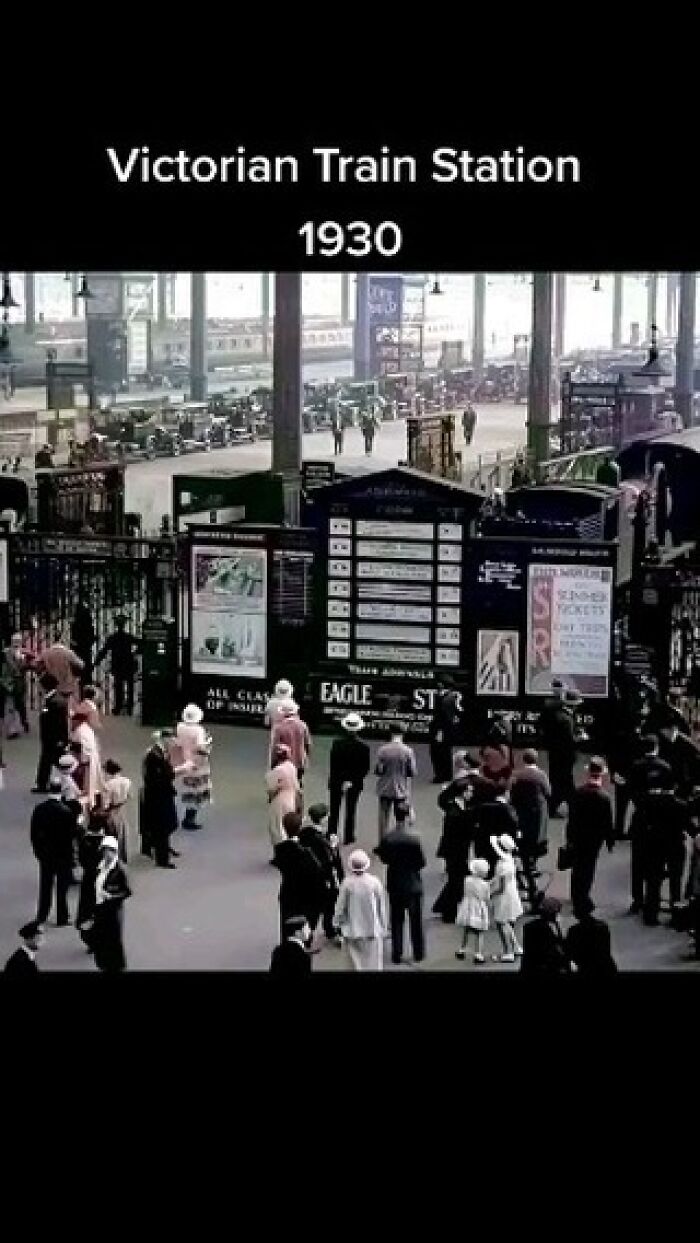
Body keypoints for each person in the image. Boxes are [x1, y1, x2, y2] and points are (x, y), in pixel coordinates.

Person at [374, 802, 427, 965]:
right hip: (413, 883)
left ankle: (397, 953)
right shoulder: (414, 838)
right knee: (416, 921)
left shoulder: (388, 837)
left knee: (396, 920)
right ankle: (418, 952)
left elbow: (383, 858)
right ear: (408, 816)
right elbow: (421, 862)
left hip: (395, 881)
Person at [627, 734, 674, 914]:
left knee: (638, 862)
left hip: (641, 819)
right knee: (655, 863)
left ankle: (637, 899)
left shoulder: (636, 767)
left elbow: (632, 792)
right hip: (660, 821)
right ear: (657, 748)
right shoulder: (665, 767)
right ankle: (652, 898)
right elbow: (670, 793)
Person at [565, 757, 615, 916]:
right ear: (601, 776)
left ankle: (575, 894)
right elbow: (607, 822)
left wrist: (569, 837)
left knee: (577, 866)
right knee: (588, 867)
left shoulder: (578, 793)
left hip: (578, 836)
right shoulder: (604, 798)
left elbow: (572, 818)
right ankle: (583, 895)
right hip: (594, 840)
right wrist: (609, 841)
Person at [30, 780, 79, 927]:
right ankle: (62, 917)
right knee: (62, 887)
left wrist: (38, 851)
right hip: (63, 855)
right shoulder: (66, 812)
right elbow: (72, 836)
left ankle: (42, 914)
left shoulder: (39, 810)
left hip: (45, 854)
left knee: (45, 885)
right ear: (61, 791)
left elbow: (33, 834)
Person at [433, 763, 478, 923]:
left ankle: (444, 906)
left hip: (457, 850)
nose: (472, 794)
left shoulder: (457, 808)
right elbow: (462, 833)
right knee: (456, 881)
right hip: (455, 851)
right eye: (470, 791)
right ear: (463, 793)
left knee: (456, 880)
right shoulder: (455, 813)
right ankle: (448, 911)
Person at [333, 849, 388, 971]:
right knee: (373, 963)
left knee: (355, 963)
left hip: (353, 930)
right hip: (372, 929)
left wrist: (337, 923)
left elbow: (340, 907)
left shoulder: (347, 884)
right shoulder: (374, 882)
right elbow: (381, 907)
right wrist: (383, 926)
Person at [272, 811, 325, 936]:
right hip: (304, 894)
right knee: (304, 925)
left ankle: (286, 944)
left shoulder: (280, 849)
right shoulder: (305, 853)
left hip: (287, 892)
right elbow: (316, 872)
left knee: (286, 922)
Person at [510, 749, 550, 903]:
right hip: (537, 814)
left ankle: (526, 864)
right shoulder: (541, 775)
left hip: (522, 813)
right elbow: (548, 791)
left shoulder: (517, 775)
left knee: (523, 841)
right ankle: (533, 864)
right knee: (536, 838)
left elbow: (512, 793)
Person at [299, 803, 343, 945]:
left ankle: (307, 936)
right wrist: (334, 847)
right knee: (328, 906)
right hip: (324, 879)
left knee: (311, 910)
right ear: (322, 818)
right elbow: (331, 860)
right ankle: (328, 930)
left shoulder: (304, 834)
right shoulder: (323, 840)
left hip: (309, 879)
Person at [88, 836, 132, 973]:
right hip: (99, 908)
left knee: (112, 941)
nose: (108, 854)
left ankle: (116, 967)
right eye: (105, 851)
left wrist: (112, 896)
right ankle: (104, 965)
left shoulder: (120, 869)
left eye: (111, 851)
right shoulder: (99, 866)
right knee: (100, 940)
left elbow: (127, 891)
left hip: (112, 910)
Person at [327, 711, 371, 845]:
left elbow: (333, 765)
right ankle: (348, 836)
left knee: (334, 809)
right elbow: (365, 769)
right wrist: (351, 780)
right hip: (354, 783)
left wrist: (341, 780)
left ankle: (332, 833)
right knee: (351, 810)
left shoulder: (336, 744)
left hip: (336, 781)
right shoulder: (364, 748)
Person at [141, 730, 182, 867]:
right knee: (162, 826)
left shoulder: (161, 752)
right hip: (158, 796)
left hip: (162, 793)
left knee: (166, 824)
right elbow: (160, 777)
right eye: (171, 739)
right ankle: (162, 858)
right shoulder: (154, 756)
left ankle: (161, 847)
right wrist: (178, 771)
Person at [540, 686, 580, 817]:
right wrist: (579, 738)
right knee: (565, 784)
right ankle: (571, 807)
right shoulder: (566, 720)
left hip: (555, 755)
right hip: (564, 757)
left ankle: (557, 806)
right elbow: (569, 741)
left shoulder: (557, 715)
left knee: (559, 783)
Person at [375, 724, 417, 840]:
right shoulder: (408, 751)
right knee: (400, 818)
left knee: (383, 818)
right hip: (401, 790)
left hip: (384, 788)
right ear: (403, 734)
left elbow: (379, 770)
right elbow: (412, 772)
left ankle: (383, 844)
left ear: (391, 733)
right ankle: (399, 843)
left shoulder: (383, 750)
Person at [176, 703, 213, 831]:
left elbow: (179, 743)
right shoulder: (198, 730)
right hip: (198, 763)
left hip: (184, 760)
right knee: (197, 792)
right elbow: (200, 747)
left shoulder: (180, 727)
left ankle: (188, 817)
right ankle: (189, 819)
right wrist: (208, 745)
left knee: (188, 790)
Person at [76, 805, 107, 951]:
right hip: (103, 880)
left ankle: (89, 938)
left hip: (89, 879)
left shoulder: (85, 841)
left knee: (87, 909)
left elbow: (81, 859)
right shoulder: (106, 843)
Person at [94, 615, 140, 716]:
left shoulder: (113, 638)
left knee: (118, 686)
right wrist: (136, 653)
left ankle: (118, 707)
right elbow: (140, 644)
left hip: (118, 663)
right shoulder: (128, 637)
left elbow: (104, 650)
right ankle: (129, 707)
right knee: (130, 686)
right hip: (128, 663)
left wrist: (97, 661)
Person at [32, 674, 70, 794]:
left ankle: (43, 784)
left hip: (52, 738)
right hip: (50, 737)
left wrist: (61, 739)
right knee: (51, 761)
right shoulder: (52, 699)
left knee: (52, 761)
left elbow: (59, 722)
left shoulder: (55, 701)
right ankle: (43, 784)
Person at [489, 834, 524, 961]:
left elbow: (500, 887)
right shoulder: (509, 860)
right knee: (507, 923)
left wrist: (489, 894)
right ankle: (516, 947)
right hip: (511, 893)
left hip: (504, 897)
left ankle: (508, 952)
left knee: (501, 923)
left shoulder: (504, 865)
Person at [564, 898, 618, 975]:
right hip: (607, 967)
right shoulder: (603, 926)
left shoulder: (574, 930)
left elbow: (570, 953)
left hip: (587, 968)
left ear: (576, 914)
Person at [520, 896, 571, 975]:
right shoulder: (539, 928)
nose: (558, 915)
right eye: (557, 912)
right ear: (552, 913)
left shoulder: (529, 926)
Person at [455, 858, 491, 963]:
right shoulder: (485, 884)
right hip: (478, 907)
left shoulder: (467, 880)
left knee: (466, 930)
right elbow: (486, 897)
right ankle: (478, 954)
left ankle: (462, 950)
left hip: (467, 906)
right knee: (479, 932)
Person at [265, 743, 300, 850]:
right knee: (288, 824)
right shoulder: (292, 767)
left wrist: (270, 798)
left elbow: (271, 789)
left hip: (279, 800)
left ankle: (280, 852)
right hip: (291, 798)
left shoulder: (276, 771)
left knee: (277, 827)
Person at [271, 699, 312, 786]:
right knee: (298, 783)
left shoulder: (279, 727)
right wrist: (306, 759)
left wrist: (273, 765)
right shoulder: (303, 725)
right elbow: (308, 744)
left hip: (283, 764)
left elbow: (274, 748)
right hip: (299, 762)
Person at [429, 677, 462, 783]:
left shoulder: (446, 699)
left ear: (444, 685)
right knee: (445, 752)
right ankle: (446, 775)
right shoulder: (449, 697)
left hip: (442, 729)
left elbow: (444, 717)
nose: (438, 685)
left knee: (438, 752)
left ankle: (441, 775)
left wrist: (440, 732)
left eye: (440, 684)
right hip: (446, 729)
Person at [36, 633, 84, 701]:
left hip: (52, 688)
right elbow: (81, 666)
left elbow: (38, 668)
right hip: (68, 686)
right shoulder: (69, 653)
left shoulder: (46, 653)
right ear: (61, 640)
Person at [70, 710, 103, 809]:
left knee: (88, 780)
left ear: (78, 721)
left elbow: (86, 747)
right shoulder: (84, 728)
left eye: (73, 721)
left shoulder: (82, 731)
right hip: (85, 757)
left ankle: (87, 798)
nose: (72, 723)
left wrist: (83, 761)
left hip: (87, 759)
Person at [102, 758, 132, 862]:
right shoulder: (127, 781)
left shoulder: (109, 785)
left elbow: (106, 803)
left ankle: (114, 857)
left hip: (112, 811)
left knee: (112, 834)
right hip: (122, 809)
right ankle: (123, 856)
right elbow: (129, 796)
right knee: (122, 832)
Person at [1, 633, 30, 736]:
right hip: (9, 682)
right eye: (15, 640)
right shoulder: (7, 652)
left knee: (20, 705)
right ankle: (12, 729)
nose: (17, 642)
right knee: (10, 705)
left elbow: (27, 666)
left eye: (19, 640)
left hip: (19, 683)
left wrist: (25, 661)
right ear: (12, 641)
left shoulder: (24, 652)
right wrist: (20, 660)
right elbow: (12, 666)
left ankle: (23, 722)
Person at [71, 604, 96, 691]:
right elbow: (92, 636)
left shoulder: (75, 624)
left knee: (81, 669)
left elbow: (73, 638)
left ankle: (81, 686)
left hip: (79, 648)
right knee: (87, 668)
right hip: (86, 648)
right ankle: (88, 687)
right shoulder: (88, 623)